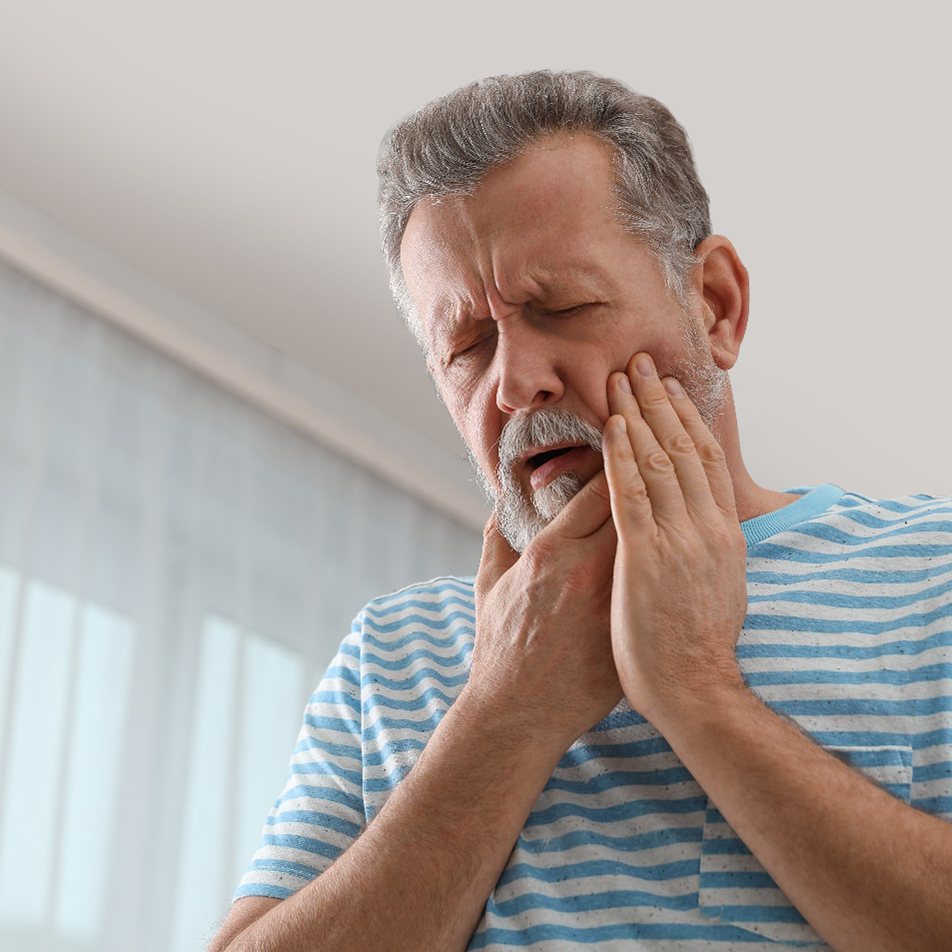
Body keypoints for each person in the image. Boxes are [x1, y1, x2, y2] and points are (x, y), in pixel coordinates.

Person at [209, 71, 952, 951]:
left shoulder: (931, 571)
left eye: (561, 307)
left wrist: (695, 690)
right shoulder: (393, 652)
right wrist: (507, 707)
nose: (516, 383)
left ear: (715, 305)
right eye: (467, 347)